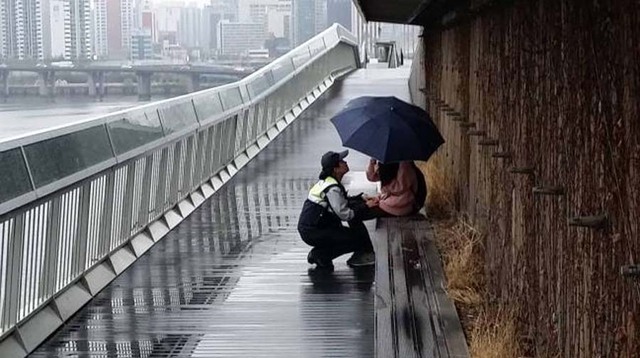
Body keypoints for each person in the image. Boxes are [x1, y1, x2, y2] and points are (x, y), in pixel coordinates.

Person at [297, 150, 376, 270]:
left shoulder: (328, 182)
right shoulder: (332, 188)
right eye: (341, 161)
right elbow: (345, 214)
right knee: (356, 239)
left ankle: (320, 253)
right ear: (336, 169)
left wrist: (361, 198)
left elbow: (341, 202)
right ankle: (321, 255)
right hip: (313, 232)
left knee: (350, 235)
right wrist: (365, 206)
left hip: (313, 228)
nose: (345, 162)